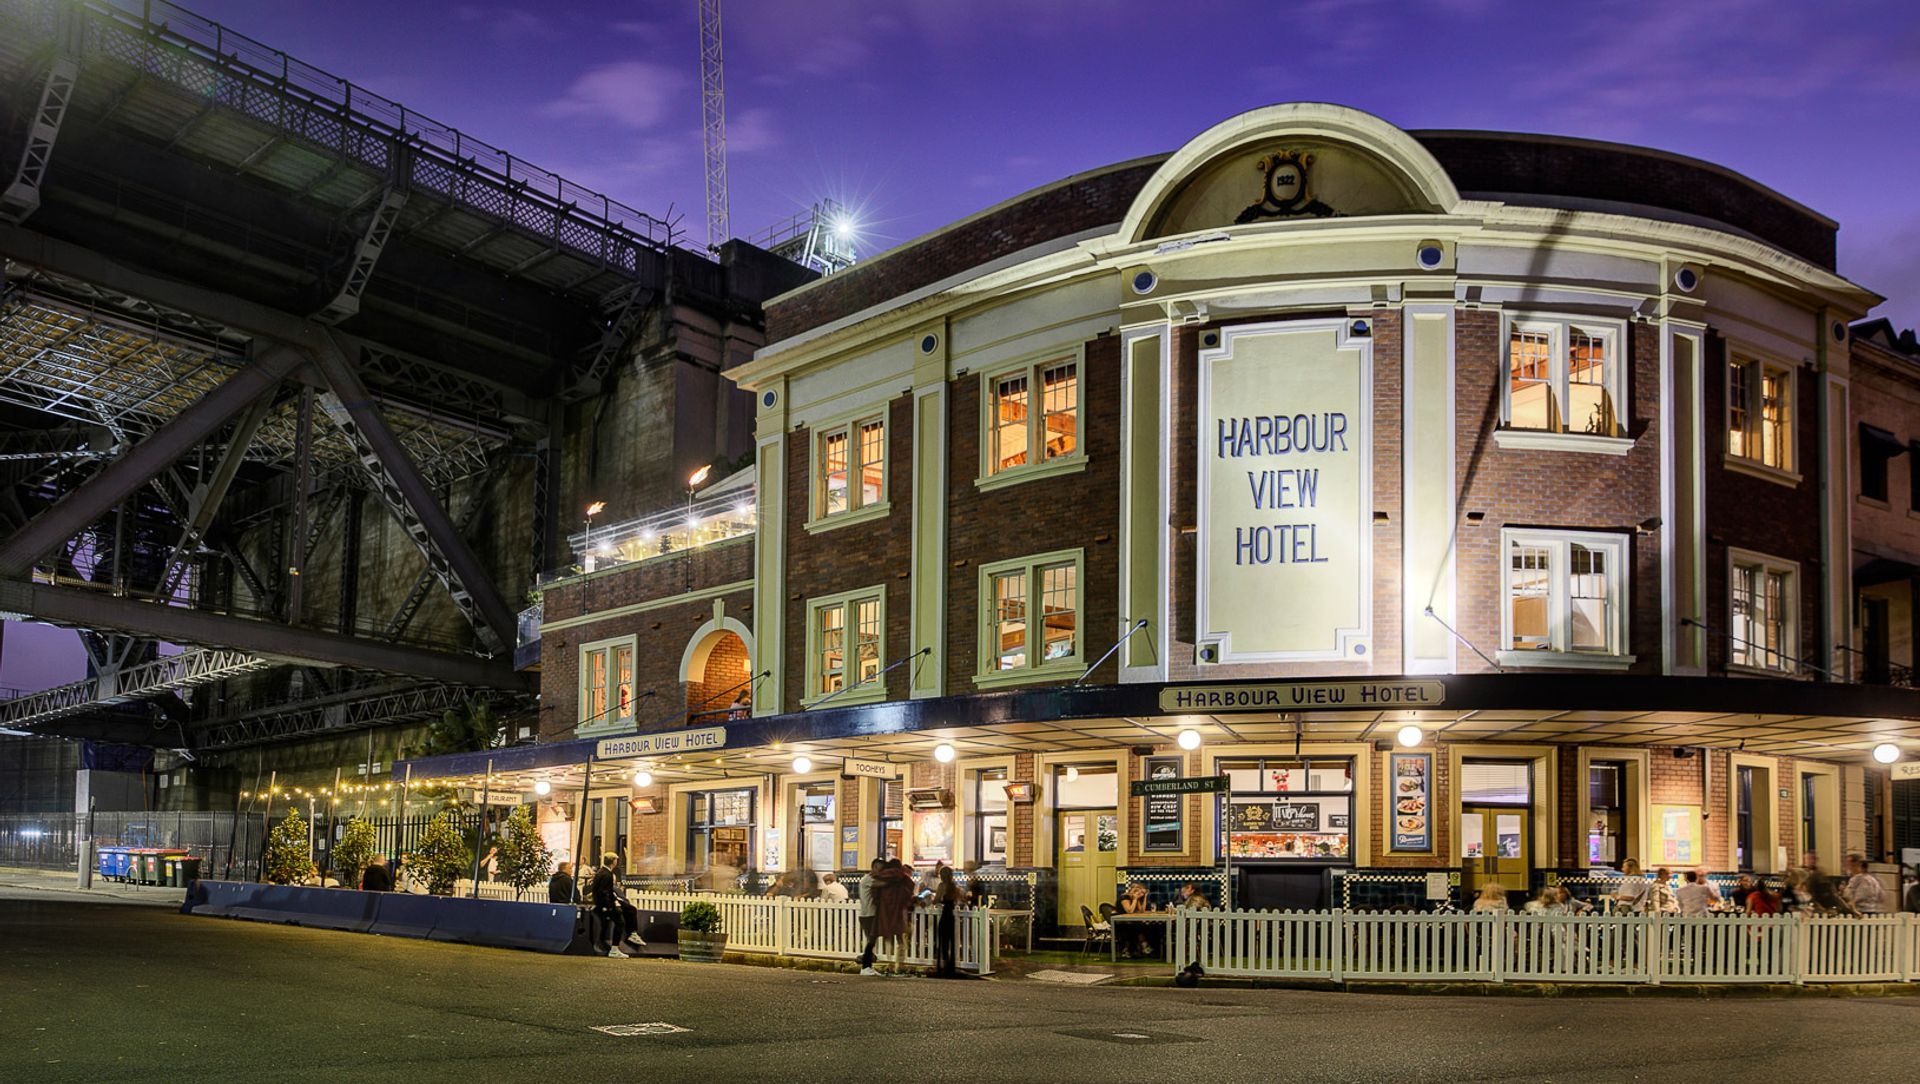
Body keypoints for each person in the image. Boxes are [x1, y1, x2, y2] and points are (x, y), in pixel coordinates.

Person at [874, 858, 917, 974]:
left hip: (886, 913)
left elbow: (875, 895)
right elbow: (908, 896)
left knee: (889, 939)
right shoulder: (904, 879)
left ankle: (890, 964)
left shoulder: (882, 878)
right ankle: (899, 965)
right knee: (901, 940)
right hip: (900, 914)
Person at [591, 853, 628, 958]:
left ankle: (602, 946)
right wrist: (610, 906)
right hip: (606, 905)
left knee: (605, 925)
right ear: (614, 861)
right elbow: (605, 892)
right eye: (616, 860)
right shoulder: (607, 874)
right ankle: (614, 948)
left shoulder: (600, 872)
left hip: (600, 904)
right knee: (620, 922)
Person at [856, 859, 886, 975]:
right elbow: (883, 884)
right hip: (867, 915)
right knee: (871, 941)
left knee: (872, 940)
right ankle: (865, 966)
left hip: (870, 914)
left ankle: (868, 965)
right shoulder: (867, 880)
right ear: (873, 867)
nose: (881, 871)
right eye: (879, 868)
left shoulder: (871, 879)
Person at [932, 865, 961, 977]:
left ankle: (943, 965)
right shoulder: (954, 886)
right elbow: (956, 900)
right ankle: (950, 967)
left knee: (942, 941)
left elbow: (936, 900)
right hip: (951, 915)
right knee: (951, 942)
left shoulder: (942, 886)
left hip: (945, 915)